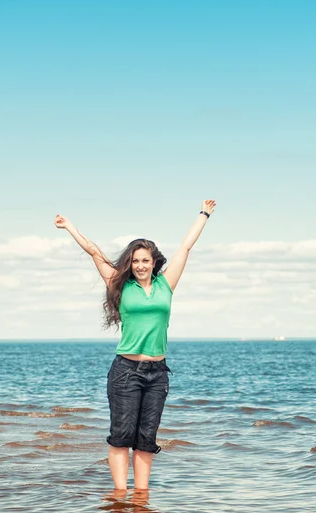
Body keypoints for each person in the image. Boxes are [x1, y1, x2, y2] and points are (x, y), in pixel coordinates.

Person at [54, 200, 216, 490]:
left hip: (158, 373)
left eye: (146, 260)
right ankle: (119, 495)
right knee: (121, 435)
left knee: (146, 439)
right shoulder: (119, 283)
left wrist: (203, 214)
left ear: (154, 262)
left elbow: (185, 247)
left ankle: (141, 497)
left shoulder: (166, 284)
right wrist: (69, 227)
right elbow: (94, 251)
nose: (141, 265)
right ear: (131, 263)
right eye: (136, 260)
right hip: (126, 371)